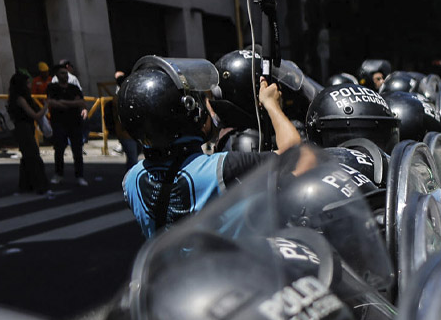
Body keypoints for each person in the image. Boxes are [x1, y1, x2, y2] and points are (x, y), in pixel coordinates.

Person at [119, 56, 301, 239]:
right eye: (199, 101)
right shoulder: (221, 168)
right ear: (188, 113)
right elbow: (294, 153)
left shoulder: (130, 181)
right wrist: (271, 104)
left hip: (169, 267)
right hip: (221, 266)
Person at [7, 71, 50, 196]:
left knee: (27, 158)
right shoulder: (20, 99)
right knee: (34, 157)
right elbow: (35, 115)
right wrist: (46, 107)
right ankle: (40, 185)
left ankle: (26, 185)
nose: (30, 85)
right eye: (28, 83)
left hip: (24, 129)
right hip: (24, 129)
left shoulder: (19, 98)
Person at [46, 63, 88, 187]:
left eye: (66, 73)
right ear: (57, 75)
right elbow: (51, 102)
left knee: (77, 150)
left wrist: (63, 102)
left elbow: (81, 102)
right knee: (59, 149)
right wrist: (72, 104)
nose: (65, 75)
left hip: (74, 122)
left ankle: (79, 176)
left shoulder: (74, 88)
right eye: (62, 73)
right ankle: (58, 174)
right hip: (59, 122)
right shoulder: (52, 87)